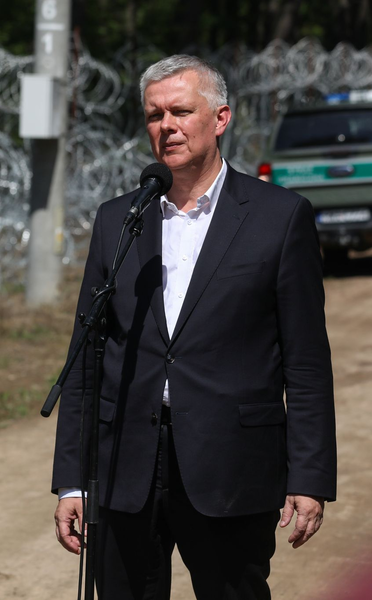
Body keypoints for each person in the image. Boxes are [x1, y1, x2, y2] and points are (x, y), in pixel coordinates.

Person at [51, 55, 336, 599]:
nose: (167, 126)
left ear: (221, 118)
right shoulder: (119, 220)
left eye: (181, 111)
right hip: (125, 468)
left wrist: (309, 476)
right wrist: (72, 481)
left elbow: (305, 363)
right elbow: (86, 358)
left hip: (231, 466)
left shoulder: (279, 216)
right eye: (155, 115)